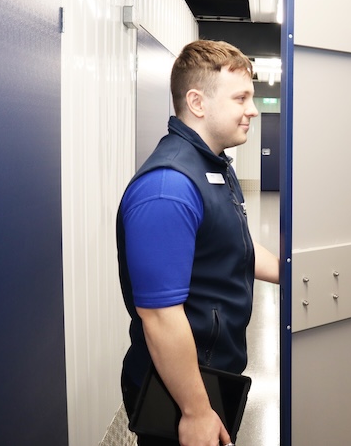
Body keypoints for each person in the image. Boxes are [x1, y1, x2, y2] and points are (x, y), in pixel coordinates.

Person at [117, 39, 280, 446]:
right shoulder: (168, 187)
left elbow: (233, 246)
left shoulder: (213, 166)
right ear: (198, 102)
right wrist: (194, 409)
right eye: (241, 97)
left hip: (213, 372)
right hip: (180, 388)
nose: (253, 110)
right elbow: (159, 315)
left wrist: (291, 274)